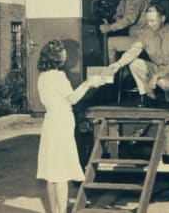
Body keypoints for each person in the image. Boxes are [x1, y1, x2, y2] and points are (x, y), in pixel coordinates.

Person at [36, 39, 106, 213]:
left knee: (51, 174)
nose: (66, 54)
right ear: (57, 56)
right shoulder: (59, 76)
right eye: (63, 51)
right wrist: (89, 83)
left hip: (50, 122)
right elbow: (72, 98)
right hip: (61, 123)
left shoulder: (43, 76)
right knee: (61, 174)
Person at [108, 4, 169, 107]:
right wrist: (118, 64)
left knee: (165, 83)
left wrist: (157, 75)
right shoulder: (146, 33)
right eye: (148, 21)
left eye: (153, 21)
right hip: (157, 68)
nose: (149, 24)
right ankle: (151, 97)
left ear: (162, 18)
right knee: (135, 64)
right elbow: (134, 50)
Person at [99, 0, 149, 64]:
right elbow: (119, 13)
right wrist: (114, 21)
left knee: (110, 43)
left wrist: (110, 27)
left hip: (144, 39)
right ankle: (117, 73)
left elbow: (130, 18)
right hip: (135, 37)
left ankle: (112, 75)